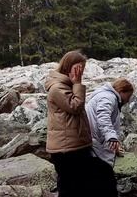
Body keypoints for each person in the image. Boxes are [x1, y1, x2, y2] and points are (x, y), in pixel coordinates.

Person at [45, 50, 93, 197]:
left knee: (79, 185)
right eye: (78, 69)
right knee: (69, 187)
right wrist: (77, 83)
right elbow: (75, 107)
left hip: (73, 145)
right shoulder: (57, 88)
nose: (80, 73)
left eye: (82, 70)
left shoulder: (66, 85)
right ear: (67, 67)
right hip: (66, 148)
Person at [85, 77, 135, 197]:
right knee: (105, 179)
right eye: (129, 95)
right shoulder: (109, 97)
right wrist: (111, 137)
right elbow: (103, 117)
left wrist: (114, 145)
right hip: (96, 143)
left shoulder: (104, 95)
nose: (128, 100)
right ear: (122, 91)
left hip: (93, 141)